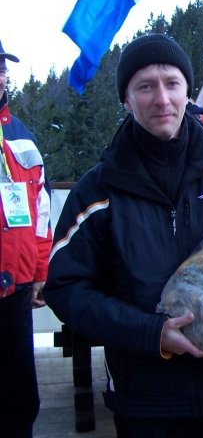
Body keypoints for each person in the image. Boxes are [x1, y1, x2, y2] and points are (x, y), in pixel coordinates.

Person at [43, 33, 203, 437]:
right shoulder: (97, 192)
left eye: (171, 83)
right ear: (126, 100)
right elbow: (66, 287)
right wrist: (152, 333)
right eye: (145, 86)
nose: (161, 99)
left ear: (188, 91)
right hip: (145, 397)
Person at [0, 40, 52, 438]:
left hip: (14, 288)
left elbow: (41, 211)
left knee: (20, 393)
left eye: (1, 67)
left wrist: (39, 271)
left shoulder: (23, 137)